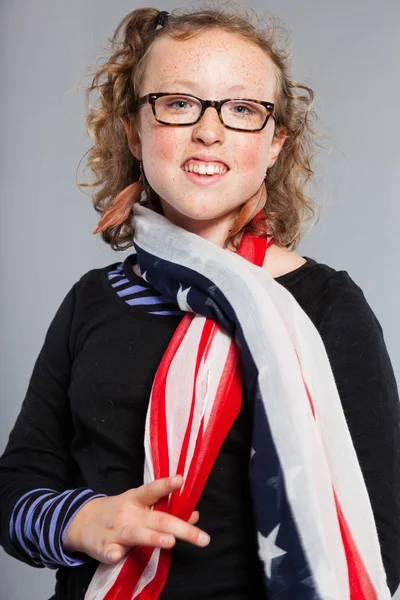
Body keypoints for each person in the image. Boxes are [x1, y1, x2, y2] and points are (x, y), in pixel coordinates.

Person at [0, 4, 399, 599]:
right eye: (179, 103)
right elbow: (16, 489)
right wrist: (82, 522)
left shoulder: (326, 306)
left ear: (274, 144)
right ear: (134, 131)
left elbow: (380, 540)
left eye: (242, 109)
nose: (208, 131)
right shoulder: (91, 302)